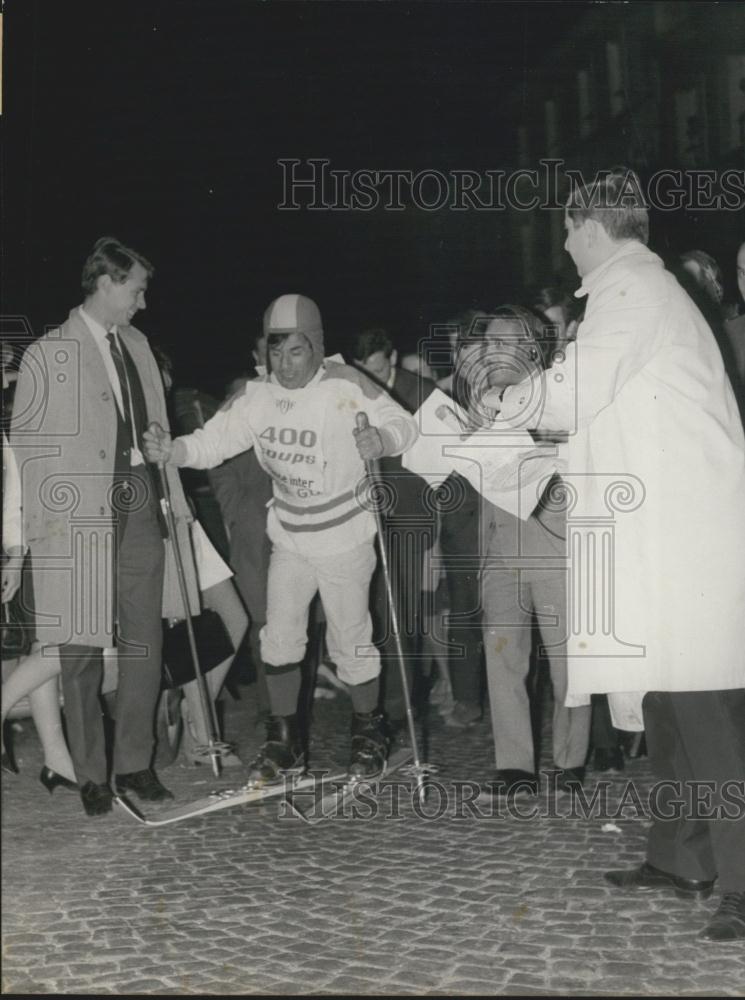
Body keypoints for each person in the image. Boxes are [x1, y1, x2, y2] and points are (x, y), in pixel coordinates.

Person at [492, 168, 745, 941]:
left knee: (700, 712)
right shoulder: (633, 295)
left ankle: (739, 878)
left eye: (568, 231)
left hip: (684, 540)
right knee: (667, 703)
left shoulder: (631, 293)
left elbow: (568, 393)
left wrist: (489, 413)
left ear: (592, 228)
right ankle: (680, 856)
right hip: (661, 535)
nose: (564, 246)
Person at [144, 294, 418, 784]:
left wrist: (383, 440)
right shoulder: (257, 396)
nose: (285, 364)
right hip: (290, 535)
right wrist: (174, 450)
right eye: (276, 352)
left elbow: (403, 423)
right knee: (279, 639)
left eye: (295, 351)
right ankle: (285, 743)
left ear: (315, 346)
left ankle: (369, 732)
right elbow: (213, 442)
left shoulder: (345, 384)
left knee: (349, 641)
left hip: (343, 535)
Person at [10, 236, 198, 817]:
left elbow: (155, 429)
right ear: (107, 283)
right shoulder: (47, 353)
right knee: (82, 649)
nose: (142, 302)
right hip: (78, 519)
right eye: (137, 289)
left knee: (145, 639)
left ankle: (135, 764)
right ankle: (92, 774)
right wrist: (42, 537)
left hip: (141, 504)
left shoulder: (139, 346)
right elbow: (28, 449)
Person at [478, 306, 591, 796]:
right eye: (486, 344)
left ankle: (571, 760)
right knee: (502, 655)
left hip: (553, 539)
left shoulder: (558, 394)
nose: (489, 353)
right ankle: (515, 766)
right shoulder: (476, 398)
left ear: (531, 349)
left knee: (569, 661)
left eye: (500, 344)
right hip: (499, 545)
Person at [351, 328, 436, 728]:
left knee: (399, 609)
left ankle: (404, 702)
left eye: (378, 368)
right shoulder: (349, 390)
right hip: (360, 515)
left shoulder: (420, 392)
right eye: (362, 369)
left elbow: (440, 461)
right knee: (367, 610)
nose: (370, 376)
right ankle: (373, 700)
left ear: (393, 356)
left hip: (407, 514)